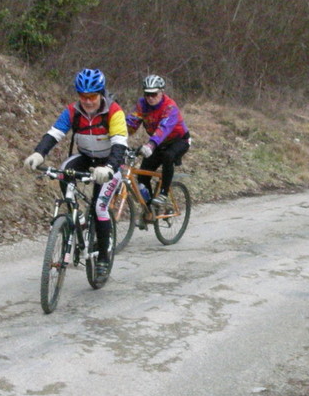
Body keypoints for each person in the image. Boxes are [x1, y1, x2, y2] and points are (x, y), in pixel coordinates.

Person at [25, 69, 127, 278]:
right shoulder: (73, 111)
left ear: (101, 94)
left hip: (110, 162)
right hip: (86, 157)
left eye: (92, 96)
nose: (87, 101)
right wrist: (39, 153)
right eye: (83, 96)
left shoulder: (114, 112)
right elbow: (55, 133)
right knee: (63, 172)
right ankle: (78, 217)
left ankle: (103, 258)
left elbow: (119, 143)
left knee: (99, 207)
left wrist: (109, 168)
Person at [125, 74, 191, 207]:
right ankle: (150, 209)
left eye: (154, 94)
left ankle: (163, 194)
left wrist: (150, 145)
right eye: (147, 94)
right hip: (159, 143)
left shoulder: (170, 107)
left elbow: (163, 129)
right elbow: (131, 123)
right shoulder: (142, 104)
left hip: (178, 140)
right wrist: (117, 137)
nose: (150, 98)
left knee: (168, 156)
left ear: (162, 92)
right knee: (142, 177)